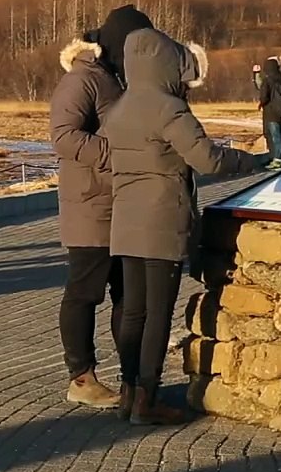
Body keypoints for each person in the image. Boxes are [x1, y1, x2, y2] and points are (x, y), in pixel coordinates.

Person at [102, 28, 256, 426]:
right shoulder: (169, 109)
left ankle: (128, 392)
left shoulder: (118, 109)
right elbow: (207, 159)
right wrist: (250, 160)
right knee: (158, 313)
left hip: (125, 220)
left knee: (133, 311)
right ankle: (147, 399)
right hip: (162, 219)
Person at [50, 4, 150, 409]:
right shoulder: (83, 79)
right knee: (85, 292)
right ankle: (81, 377)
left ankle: (133, 378)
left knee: (129, 295)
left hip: (124, 204)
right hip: (91, 205)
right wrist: (118, 155)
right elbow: (63, 136)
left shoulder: (120, 79)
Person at [257, 56, 281, 170]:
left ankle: (276, 159)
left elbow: (264, 97)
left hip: (271, 113)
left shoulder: (267, 81)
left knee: (274, 137)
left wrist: (261, 103)